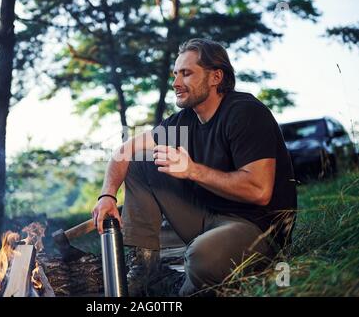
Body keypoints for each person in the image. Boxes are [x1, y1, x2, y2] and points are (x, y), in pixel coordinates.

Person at [92, 38, 297, 296]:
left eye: (186, 73)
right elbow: (125, 150)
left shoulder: (245, 113)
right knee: (140, 163)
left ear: (216, 77)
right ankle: (146, 271)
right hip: (207, 216)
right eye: (176, 74)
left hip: (255, 228)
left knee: (201, 259)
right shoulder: (184, 122)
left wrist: (191, 170)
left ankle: (185, 285)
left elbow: (259, 191)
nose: (176, 83)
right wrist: (107, 195)